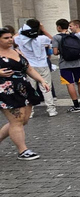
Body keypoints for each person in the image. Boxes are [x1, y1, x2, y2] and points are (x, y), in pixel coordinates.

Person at [0, 26, 51, 160]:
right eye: (6, 38)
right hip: (6, 90)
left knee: (23, 120)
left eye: (11, 37)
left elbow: (28, 68)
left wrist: (42, 80)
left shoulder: (16, 51)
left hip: (23, 88)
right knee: (16, 120)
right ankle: (23, 150)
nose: (10, 40)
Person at [14, 20, 57, 117]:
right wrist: (42, 29)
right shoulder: (41, 38)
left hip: (29, 66)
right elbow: (52, 40)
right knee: (46, 87)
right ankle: (51, 109)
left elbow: (14, 38)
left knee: (30, 89)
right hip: (42, 64)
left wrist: (22, 29)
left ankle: (30, 111)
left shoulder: (20, 39)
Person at [51, 18, 80, 113]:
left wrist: (63, 51)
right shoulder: (76, 36)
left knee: (70, 83)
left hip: (65, 64)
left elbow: (55, 52)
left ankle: (76, 105)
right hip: (77, 62)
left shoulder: (56, 37)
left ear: (59, 27)